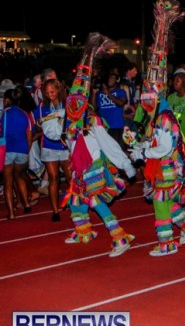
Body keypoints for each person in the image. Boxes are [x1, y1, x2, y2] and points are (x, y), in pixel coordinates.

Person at [128, 0, 185, 257]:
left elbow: (163, 147)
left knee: (160, 204)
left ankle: (167, 243)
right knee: (165, 201)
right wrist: (140, 145)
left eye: (150, 94)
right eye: (143, 93)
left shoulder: (163, 116)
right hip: (165, 165)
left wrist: (143, 152)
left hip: (168, 166)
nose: (145, 98)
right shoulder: (156, 115)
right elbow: (155, 142)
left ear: (158, 95)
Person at [62, 33, 136, 257]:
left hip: (93, 166)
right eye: (71, 103)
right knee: (76, 198)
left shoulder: (93, 123)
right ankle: (83, 230)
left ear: (84, 105)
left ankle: (119, 236)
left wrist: (126, 164)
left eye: (78, 103)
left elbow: (110, 145)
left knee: (95, 200)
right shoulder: (68, 123)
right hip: (79, 167)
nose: (74, 106)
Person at [33, 79, 71, 222]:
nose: (50, 95)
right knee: (53, 178)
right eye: (47, 92)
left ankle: (74, 204)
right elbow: (37, 127)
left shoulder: (66, 103)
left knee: (70, 178)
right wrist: (38, 124)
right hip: (48, 147)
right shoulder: (42, 106)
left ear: (59, 90)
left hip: (65, 146)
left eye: (52, 92)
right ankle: (55, 211)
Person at [2, 88, 34, 220]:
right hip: (22, 151)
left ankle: (11, 213)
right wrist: (27, 149)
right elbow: (29, 133)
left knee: (8, 183)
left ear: (8, 100)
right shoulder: (25, 114)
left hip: (8, 151)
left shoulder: (5, 113)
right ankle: (26, 203)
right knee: (19, 175)